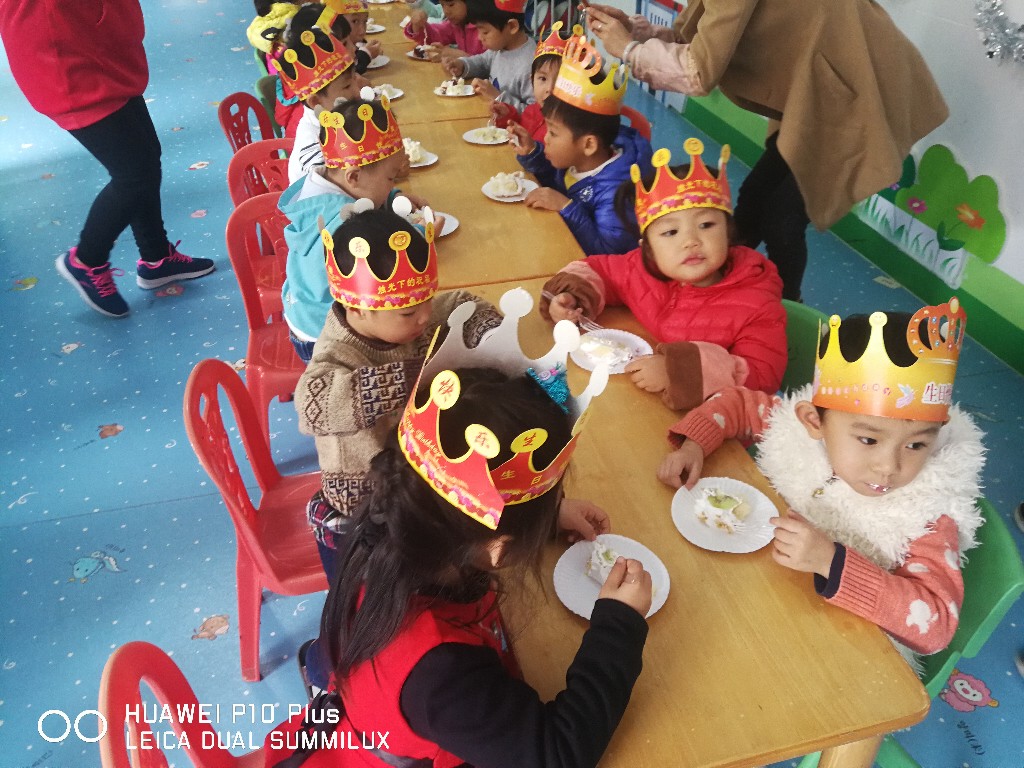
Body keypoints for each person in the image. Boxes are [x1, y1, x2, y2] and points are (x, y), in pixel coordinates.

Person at [267, 342, 650, 765]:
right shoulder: (444, 675)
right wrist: (619, 624)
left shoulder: (387, 531)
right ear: (498, 547)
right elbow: (558, 754)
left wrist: (545, 519)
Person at [660, 299, 985, 666]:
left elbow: (936, 625)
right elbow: (735, 403)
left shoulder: (928, 517)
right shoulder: (794, 430)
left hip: (833, 657)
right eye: (869, 439)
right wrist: (695, 443)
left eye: (916, 445)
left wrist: (831, 562)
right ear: (814, 422)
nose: (889, 467)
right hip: (757, 600)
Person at [584, 0, 949, 302]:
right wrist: (635, 34)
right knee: (755, 198)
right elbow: (696, 38)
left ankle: (785, 313)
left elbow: (697, 71)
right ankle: (719, 289)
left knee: (783, 219)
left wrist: (628, 49)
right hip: (825, 91)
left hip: (854, 92)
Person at [0, 0, 216, 319]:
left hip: (98, 43)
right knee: (134, 174)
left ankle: (157, 258)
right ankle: (87, 260)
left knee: (146, 156)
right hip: (67, 58)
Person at [541, 138, 785, 408]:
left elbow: (762, 378)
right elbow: (599, 270)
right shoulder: (643, 267)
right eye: (670, 232)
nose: (690, 241)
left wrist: (676, 371)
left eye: (706, 225)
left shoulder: (757, 304)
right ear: (648, 248)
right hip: (636, 400)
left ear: (728, 233)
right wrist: (572, 296)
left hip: (707, 421)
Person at [280, 97, 429, 362]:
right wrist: (421, 234)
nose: (393, 183)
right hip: (322, 334)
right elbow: (386, 259)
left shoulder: (322, 183)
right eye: (390, 178)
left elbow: (364, 195)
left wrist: (392, 195)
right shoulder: (345, 222)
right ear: (354, 176)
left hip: (301, 311)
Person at [510, 36, 652, 256]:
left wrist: (566, 207)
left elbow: (607, 253)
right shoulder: (579, 160)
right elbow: (557, 181)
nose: (545, 138)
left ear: (588, 145)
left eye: (553, 132)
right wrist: (533, 153)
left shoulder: (617, 193)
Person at [279, 4, 371, 182]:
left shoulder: (336, 119)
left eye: (354, 80)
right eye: (347, 86)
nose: (357, 91)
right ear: (315, 102)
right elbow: (353, 191)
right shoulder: (317, 160)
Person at [490, 20, 574, 142]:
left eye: (560, 80)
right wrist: (507, 116)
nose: (549, 88)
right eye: (543, 78)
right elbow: (522, 128)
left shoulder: (569, 128)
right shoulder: (532, 110)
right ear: (532, 80)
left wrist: (533, 150)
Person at [442, 0, 535, 110]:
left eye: (485, 32)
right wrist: (462, 65)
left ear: (512, 26)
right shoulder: (500, 48)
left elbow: (536, 114)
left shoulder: (531, 66)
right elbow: (483, 61)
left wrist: (499, 97)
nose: (479, 37)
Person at [405, 0, 485, 59]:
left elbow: (489, 66)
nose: (446, 11)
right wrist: (417, 25)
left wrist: (463, 57)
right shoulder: (457, 24)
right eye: (442, 5)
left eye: (451, 5)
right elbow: (435, 35)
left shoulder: (487, 29)